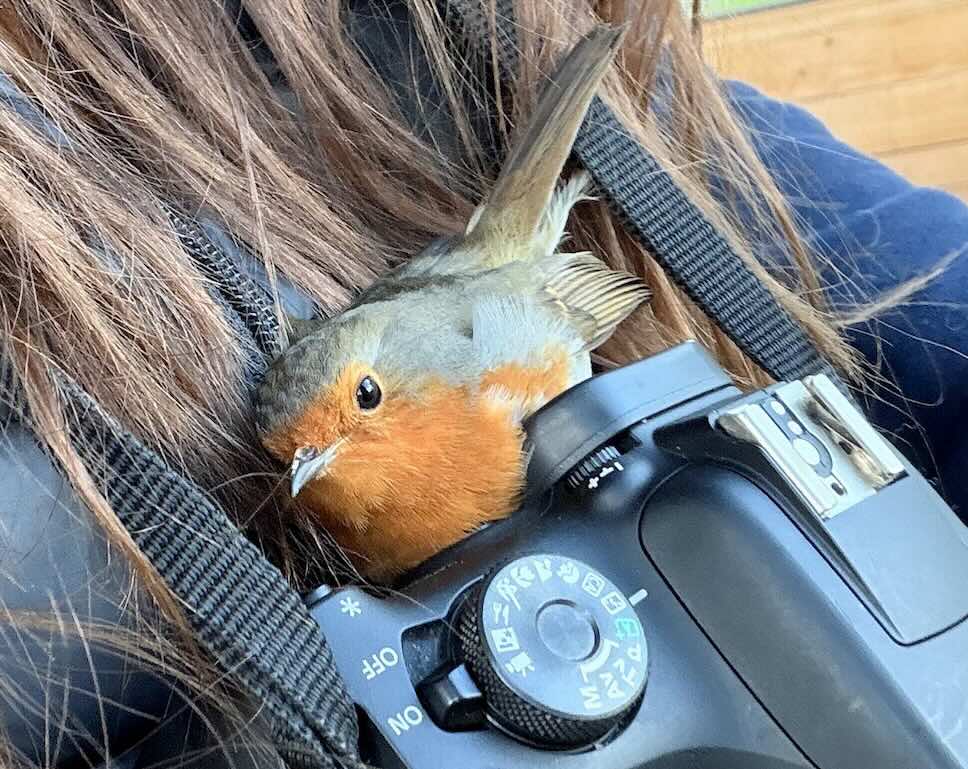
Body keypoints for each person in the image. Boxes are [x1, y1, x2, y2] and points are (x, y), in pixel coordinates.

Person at [0, 1, 965, 766]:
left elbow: (564, 307)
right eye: (299, 457)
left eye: (360, 406)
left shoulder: (472, 390)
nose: (318, 459)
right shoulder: (335, 493)